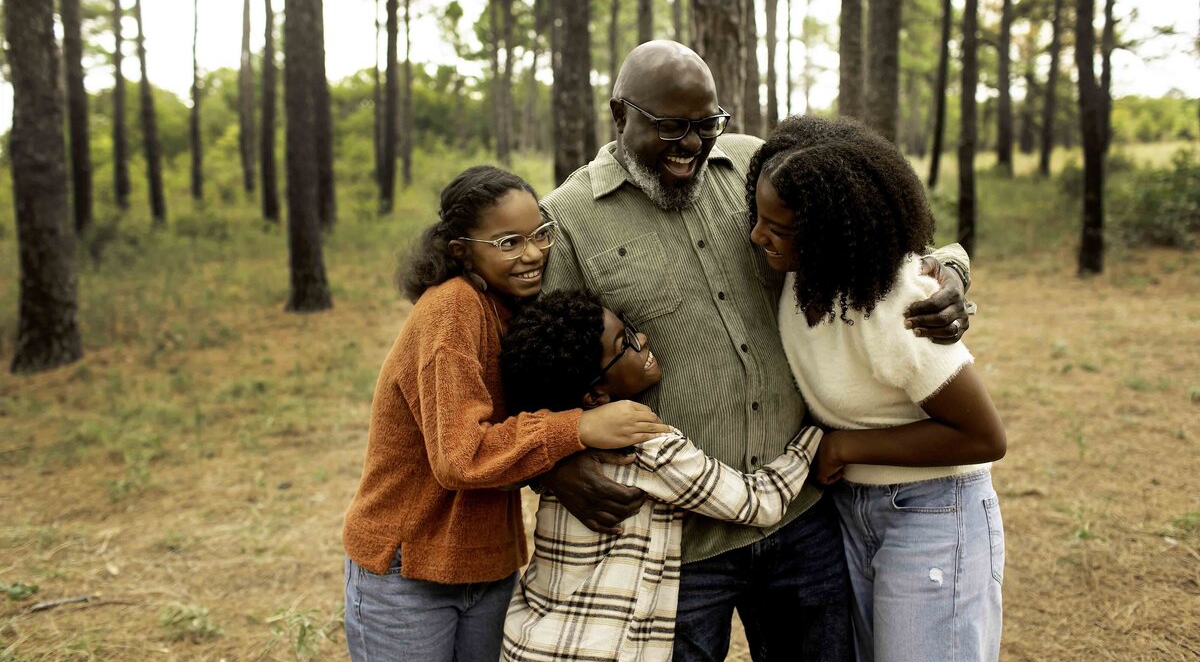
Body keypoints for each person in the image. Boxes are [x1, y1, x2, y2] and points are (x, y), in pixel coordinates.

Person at [537, 40, 972, 661]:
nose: (691, 145)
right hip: (677, 543)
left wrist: (952, 273)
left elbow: (880, 234)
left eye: (707, 124)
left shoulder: (754, 168)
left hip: (802, 515)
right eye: (670, 127)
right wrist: (552, 463)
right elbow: (539, 369)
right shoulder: (571, 219)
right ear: (619, 113)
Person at [341, 165, 670, 662]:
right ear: (461, 250)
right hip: (407, 568)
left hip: (489, 567)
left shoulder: (512, 307)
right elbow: (459, 457)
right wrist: (578, 427)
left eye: (540, 234)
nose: (533, 253)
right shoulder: (450, 311)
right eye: (509, 242)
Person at [748, 115, 1006, 662]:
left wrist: (844, 446)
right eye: (758, 216)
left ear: (829, 231)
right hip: (852, 511)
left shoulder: (896, 308)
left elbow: (984, 437)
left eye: (778, 227)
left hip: (934, 511)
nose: (757, 235)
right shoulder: (800, 275)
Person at [498, 290, 823, 662]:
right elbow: (759, 503)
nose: (644, 339)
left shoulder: (561, 443)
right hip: (601, 651)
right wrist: (813, 438)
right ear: (594, 397)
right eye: (627, 343)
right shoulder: (647, 446)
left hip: (532, 640)